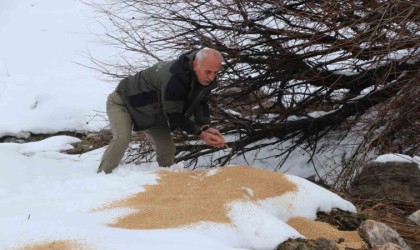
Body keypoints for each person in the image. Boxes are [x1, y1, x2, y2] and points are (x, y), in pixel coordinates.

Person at [97, 48, 225, 174]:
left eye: (215, 72)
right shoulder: (175, 78)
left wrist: (205, 126)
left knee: (167, 151)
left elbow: (200, 102)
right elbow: (174, 115)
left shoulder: (203, 78)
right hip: (123, 102)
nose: (211, 77)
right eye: (208, 72)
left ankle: (168, 186)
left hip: (152, 112)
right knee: (122, 139)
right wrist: (200, 133)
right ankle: (102, 177)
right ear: (195, 65)